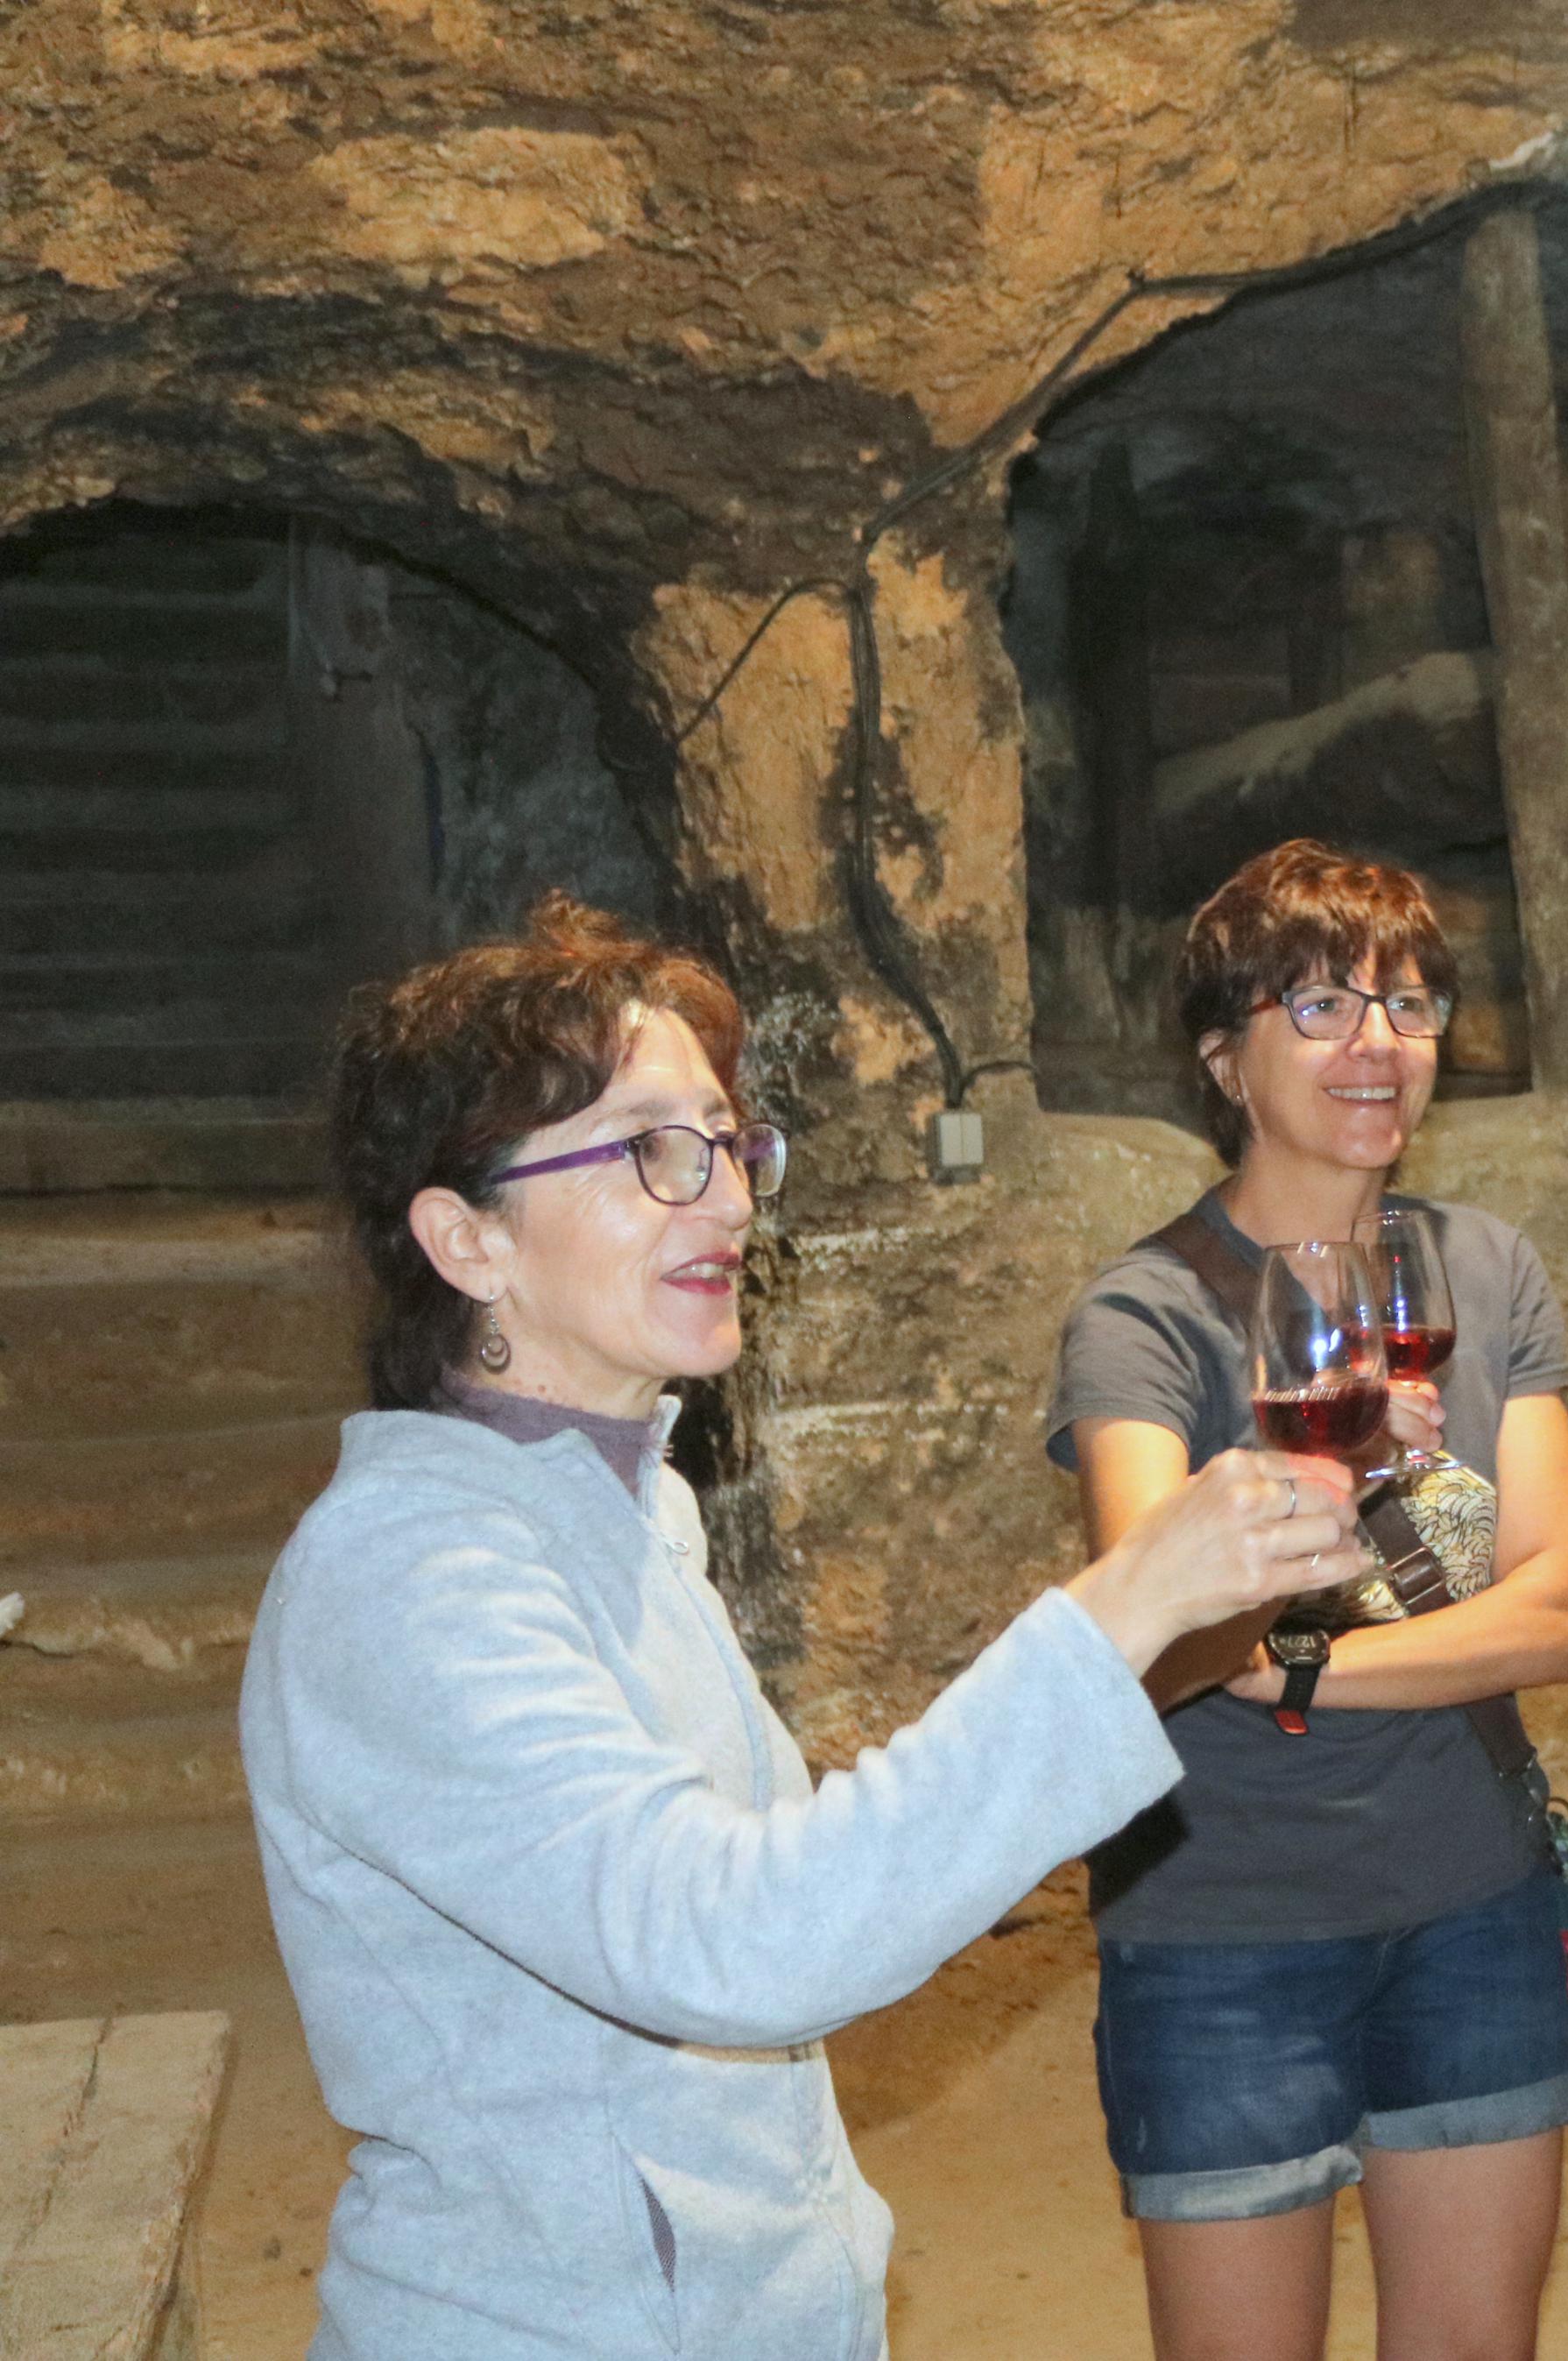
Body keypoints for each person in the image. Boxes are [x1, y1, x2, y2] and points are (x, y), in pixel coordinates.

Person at [241, 895, 1369, 2361]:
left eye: (729, 1146)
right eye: (651, 1152)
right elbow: (733, 1942)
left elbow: (780, 1887)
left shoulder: (629, 1506)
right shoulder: (410, 1575)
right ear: (468, 1240)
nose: (726, 1202)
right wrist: (1121, 1603)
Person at [1046, 840, 1568, 2361]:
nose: (1379, 1041)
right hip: (1222, 1929)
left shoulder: (1481, 1271)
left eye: (1409, 1005)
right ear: (1224, 1059)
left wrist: (1283, 1669)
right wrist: (1310, 1475)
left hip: (1473, 1905)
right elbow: (1152, 1638)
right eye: (1321, 1006)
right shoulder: (1147, 1314)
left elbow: (1555, 1619)